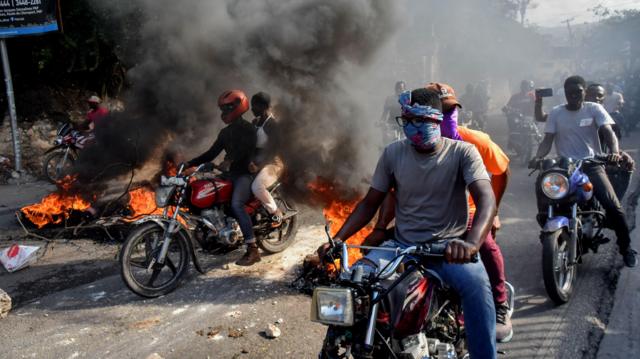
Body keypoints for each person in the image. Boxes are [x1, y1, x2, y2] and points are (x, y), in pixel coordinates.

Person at [330, 88, 498, 358]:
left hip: (447, 250)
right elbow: (370, 202)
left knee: (477, 288)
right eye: (407, 120)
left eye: (420, 121)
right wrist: (338, 240)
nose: (412, 127)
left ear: (437, 121)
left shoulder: (463, 153)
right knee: (354, 282)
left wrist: (471, 244)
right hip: (400, 248)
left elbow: (486, 200)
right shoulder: (393, 153)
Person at [370, 82, 513, 343]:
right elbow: (387, 195)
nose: (448, 117)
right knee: (359, 280)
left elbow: (493, 186)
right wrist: (377, 229)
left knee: (484, 263)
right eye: (410, 119)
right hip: (408, 239)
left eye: (450, 112)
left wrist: (489, 219)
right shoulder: (395, 152)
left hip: (460, 229)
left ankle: (499, 307)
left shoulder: (470, 145)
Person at [532, 76, 637, 267]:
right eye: (570, 91)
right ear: (564, 92)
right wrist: (538, 157)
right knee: (543, 184)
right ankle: (546, 221)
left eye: (578, 91)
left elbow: (608, 133)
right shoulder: (557, 113)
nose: (574, 95)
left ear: (584, 91)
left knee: (613, 207)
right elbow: (547, 140)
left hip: (591, 164)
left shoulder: (594, 108)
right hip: (565, 166)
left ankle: (626, 248)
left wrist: (614, 152)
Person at [186, 90, 260, 266]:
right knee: (210, 194)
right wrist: (189, 163)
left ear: (239, 106)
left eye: (228, 108)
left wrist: (230, 160)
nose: (224, 112)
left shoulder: (249, 129)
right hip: (230, 174)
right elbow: (211, 153)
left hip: (245, 174)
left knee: (236, 205)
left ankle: (253, 249)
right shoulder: (225, 133)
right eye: (223, 108)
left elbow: (246, 149)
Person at [249, 92, 285, 226]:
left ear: (264, 106)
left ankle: (275, 212)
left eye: (255, 106)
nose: (252, 109)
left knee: (257, 187)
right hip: (256, 162)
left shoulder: (272, 125)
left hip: (272, 163)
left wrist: (259, 165)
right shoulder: (255, 122)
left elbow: (274, 149)